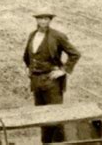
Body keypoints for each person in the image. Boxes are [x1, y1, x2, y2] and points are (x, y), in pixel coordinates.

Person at [23, 9, 81, 143]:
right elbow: (27, 55)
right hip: (36, 81)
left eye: (46, 18)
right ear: (36, 20)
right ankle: (46, 143)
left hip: (52, 82)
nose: (43, 21)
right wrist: (28, 67)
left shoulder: (57, 36)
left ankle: (59, 143)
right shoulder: (32, 35)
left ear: (50, 20)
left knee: (56, 116)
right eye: (40, 18)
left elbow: (75, 54)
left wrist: (63, 70)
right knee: (41, 116)